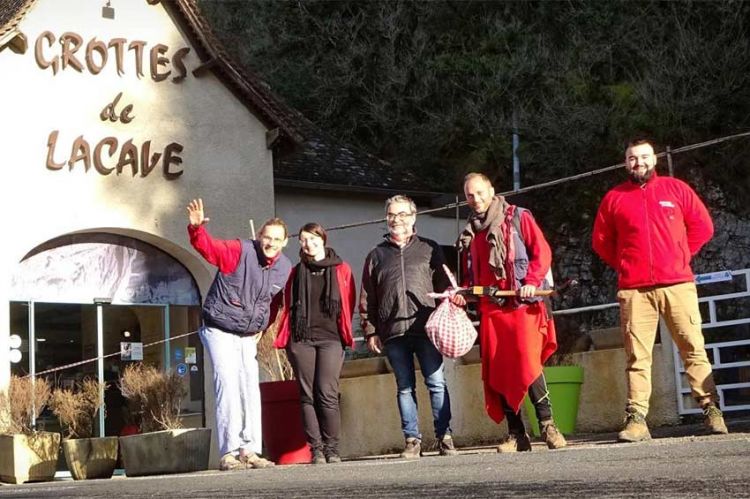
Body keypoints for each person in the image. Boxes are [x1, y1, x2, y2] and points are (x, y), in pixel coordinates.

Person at [592, 138, 728, 442]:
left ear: (654, 159)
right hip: (634, 291)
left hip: (678, 284)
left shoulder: (676, 189)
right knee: (637, 357)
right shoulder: (614, 198)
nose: (638, 163)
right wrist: (627, 264)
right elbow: (601, 242)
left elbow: (703, 226)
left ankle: (711, 410)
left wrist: (679, 256)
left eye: (643, 157)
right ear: (625, 163)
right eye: (631, 158)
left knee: (692, 347)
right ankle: (637, 419)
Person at [453, 173, 567, 452]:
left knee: (528, 363)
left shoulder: (517, 217)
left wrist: (530, 282)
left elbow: (542, 252)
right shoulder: (469, 231)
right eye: (470, 195)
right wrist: (462, 294)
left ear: (491, 190)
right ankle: (516, 434)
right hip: (491, 310)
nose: (476, 199)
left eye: (480, 193)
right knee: (499, 370)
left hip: (521, 306)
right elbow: (471, 276)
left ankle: (548, 425)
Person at [187, 198, 292, 470]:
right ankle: (229, 453)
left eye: (276, 239)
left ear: (284, 242)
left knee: (249, 388)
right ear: (259, 237)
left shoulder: (284, 267)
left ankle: (250, 450)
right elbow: (208, 249)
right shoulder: (239, 250)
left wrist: (263, 328)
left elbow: (276, 301)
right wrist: (197, 230)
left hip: (248, 335)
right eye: (266, 237)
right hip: (219, 328)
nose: (270, 243)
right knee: (227, 384)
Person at [359, 194, 458, 459]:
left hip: (427, 328)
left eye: (402, 214)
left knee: (436, 383)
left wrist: (453, 303)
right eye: (392, 215)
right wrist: (371, 331)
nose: (396, 220)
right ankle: (412, 440)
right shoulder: (375, 255)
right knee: (404, 387)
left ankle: (445, 437)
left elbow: (445, 286)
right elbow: (367, 296)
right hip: (393, 333)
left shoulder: (429, 248)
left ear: (413, 217)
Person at [274, 223, 356, 464]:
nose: (308, 244)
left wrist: (343, 333)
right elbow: (286, 303)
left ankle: (332, 448)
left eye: (312, 238)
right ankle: (316, 449)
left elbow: (348, 303)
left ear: (323, 238)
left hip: (331, 338)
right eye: (303, 240)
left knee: (327, 393)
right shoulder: (296, 271)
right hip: (302, 340)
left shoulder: (341, 269)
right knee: (307, 395)